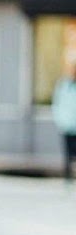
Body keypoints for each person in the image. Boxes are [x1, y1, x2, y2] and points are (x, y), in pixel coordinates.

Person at [54, 52, 76, 184]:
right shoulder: (63, 85)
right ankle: (68, 177)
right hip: (67, 124)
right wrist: (60, 119)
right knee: (68, 154)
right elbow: (57, 103)